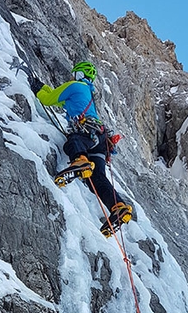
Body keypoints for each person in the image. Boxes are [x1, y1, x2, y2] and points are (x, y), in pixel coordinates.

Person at [29, 61, 133, 235]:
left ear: (78, 75)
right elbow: (60, 102)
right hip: (100, 141)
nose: (72, 76)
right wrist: (44, 87)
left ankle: (80, 161)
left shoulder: (74, 85)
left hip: (86, 133)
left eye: (74, 74)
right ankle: (118, 207)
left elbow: (48, 100)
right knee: (98, 180)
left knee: (73, 141)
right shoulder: (87, 93)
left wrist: (37, 88)